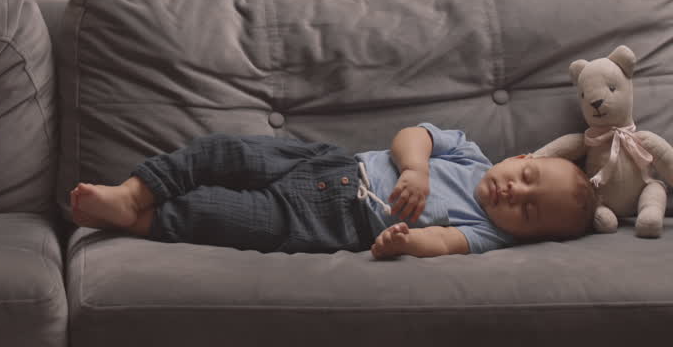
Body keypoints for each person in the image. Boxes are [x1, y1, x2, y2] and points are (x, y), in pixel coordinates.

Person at [69, 123, 597, 259]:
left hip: (328, 223)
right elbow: (412, 135)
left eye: (528, 212)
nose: (514, 193)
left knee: (220, 216)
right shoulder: (469, 154)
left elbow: (443, 243)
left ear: (524, 236)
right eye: (526, 178)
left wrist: (404, 242)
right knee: (224, 150)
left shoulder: (489, 234)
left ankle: (136, 220)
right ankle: (135, 192)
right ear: (522, 159)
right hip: (328, 162)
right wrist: (415, 169)